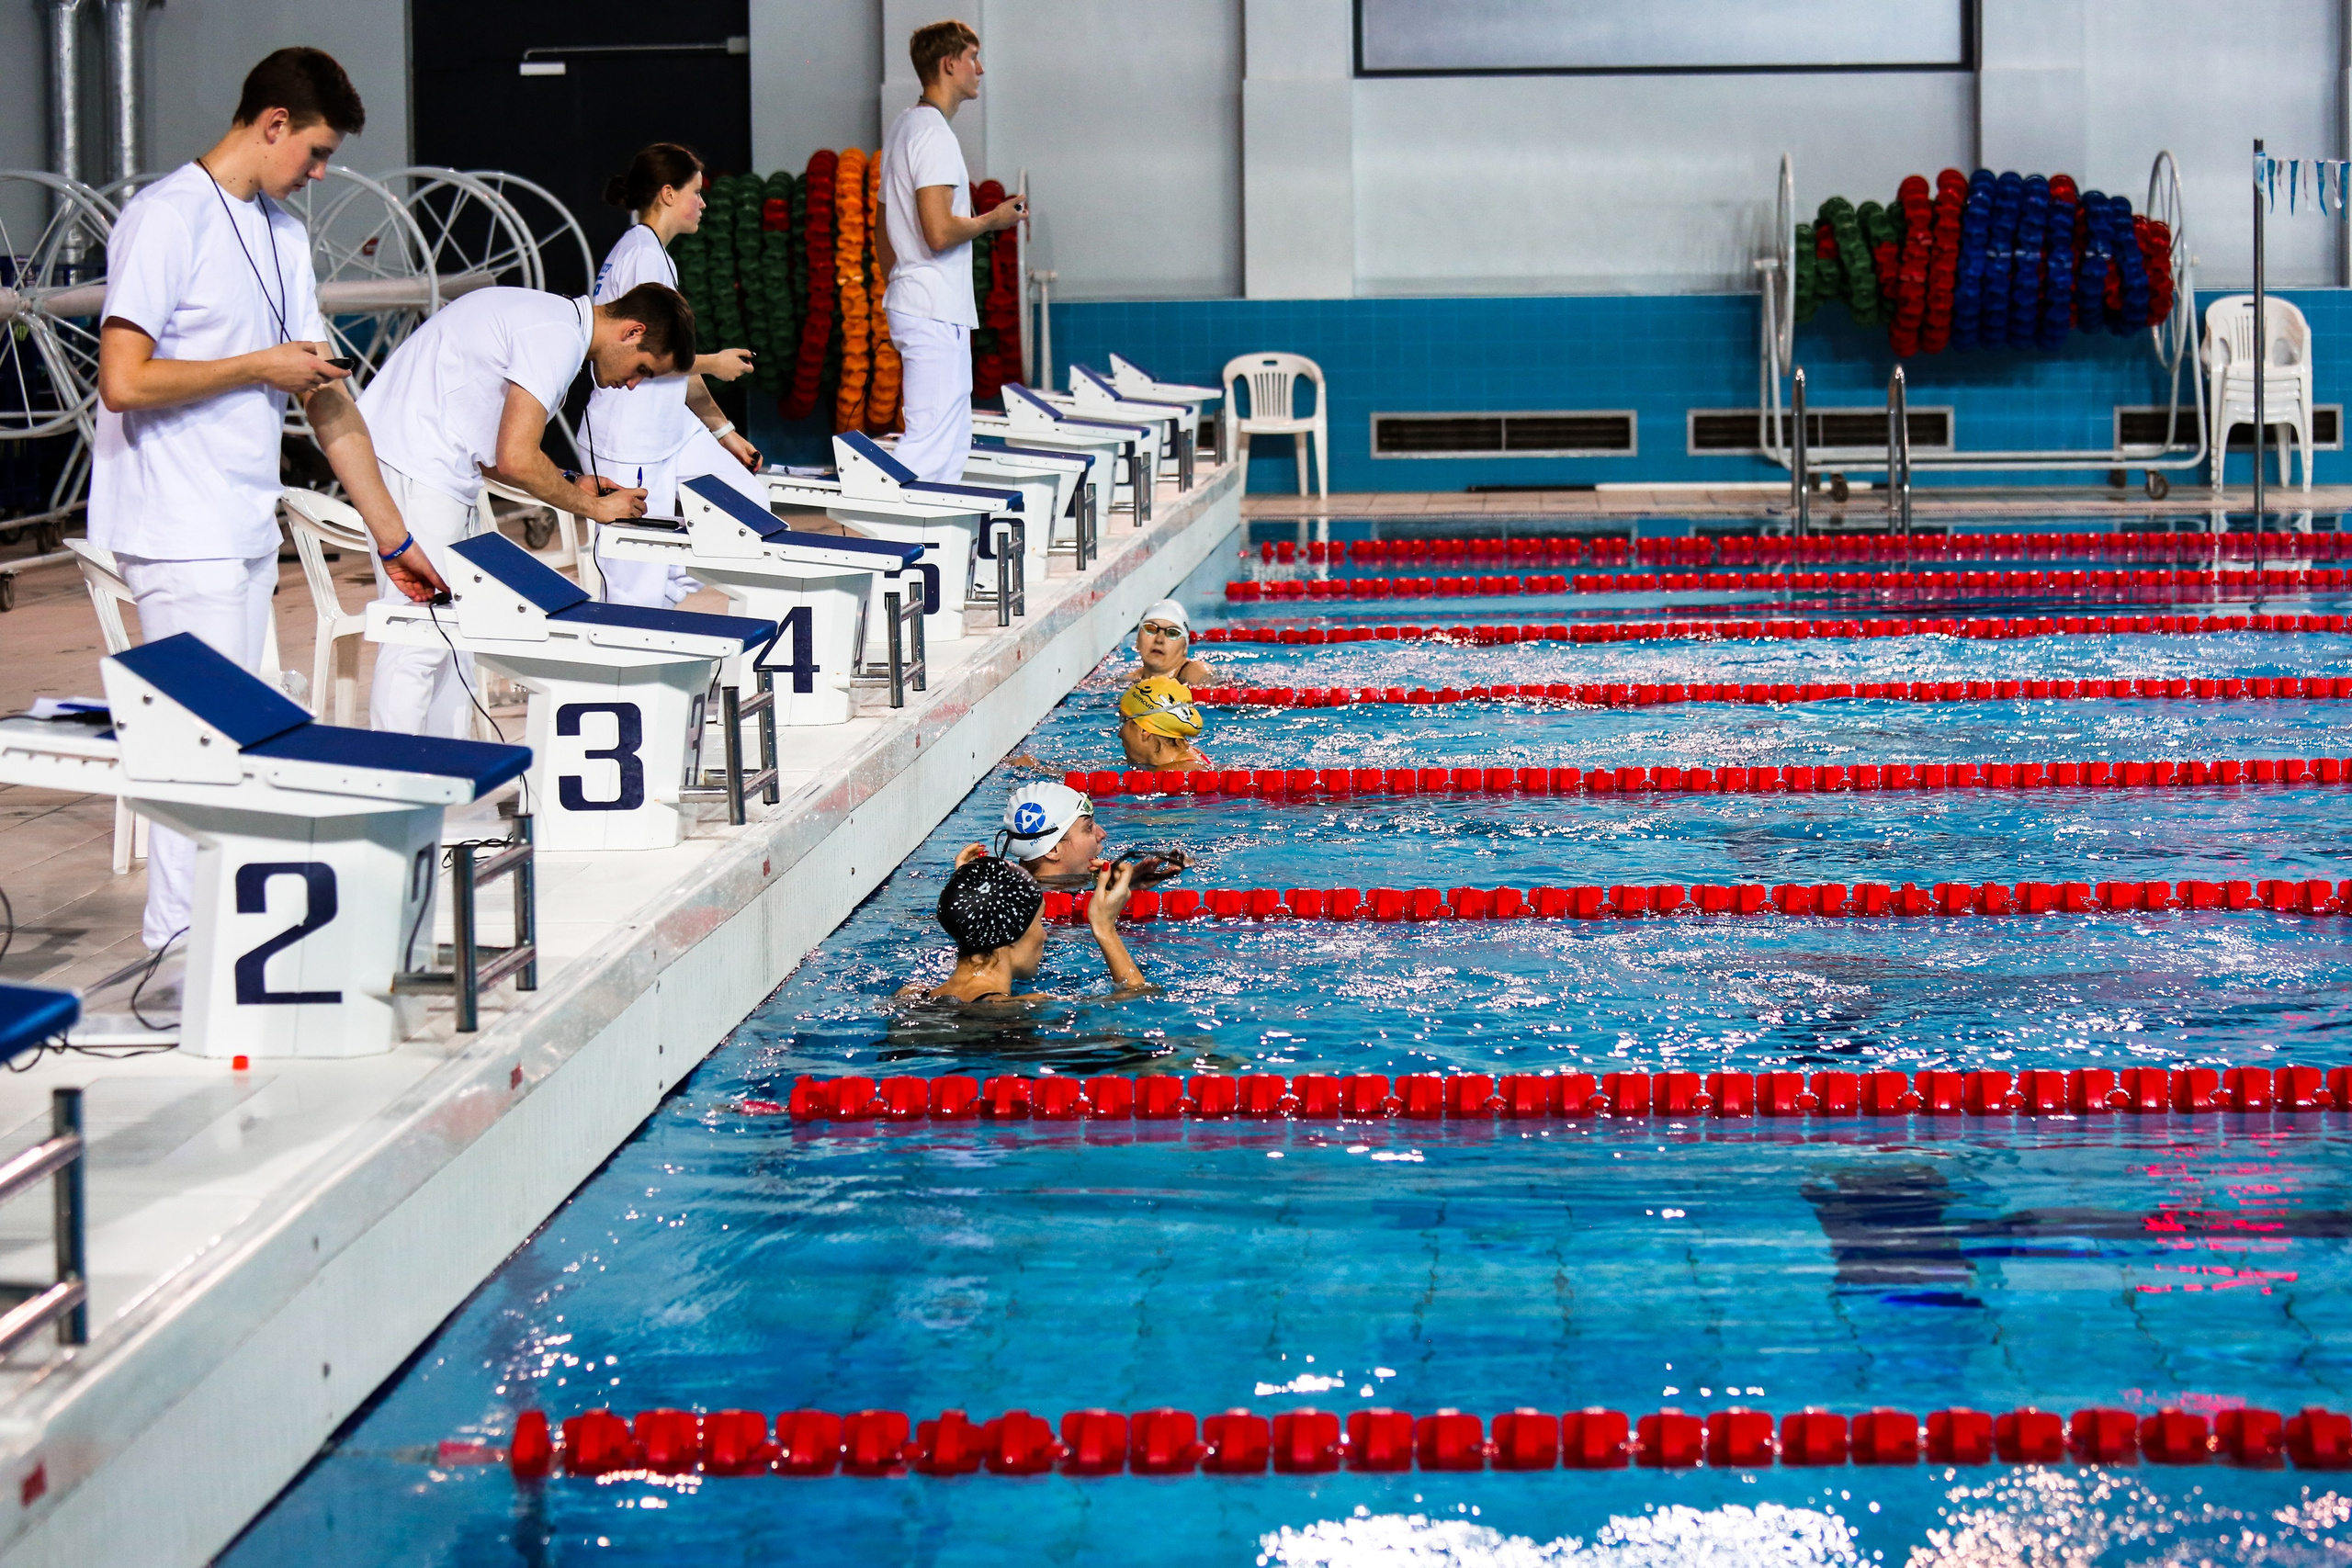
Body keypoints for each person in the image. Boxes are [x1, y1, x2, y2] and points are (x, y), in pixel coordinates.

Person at [92, 47, 443, 954]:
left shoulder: (281, 233)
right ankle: (179, 945)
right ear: (273, 123)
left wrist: (394, 537)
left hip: (243, 519)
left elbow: (322, 394)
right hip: (173, 522)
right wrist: (259, 366)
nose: (321, 174)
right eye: (317, 153)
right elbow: (123, 382)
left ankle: (224, 938)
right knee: (200, 745)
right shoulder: (166, 218)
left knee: (244, 740)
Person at [357, 282, 694, 735]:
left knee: (456, 637)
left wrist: (573, 483)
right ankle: (393, 783)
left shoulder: (555, 324)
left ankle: (444, 773)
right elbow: (516, 460)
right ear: (632, 332)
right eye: (643, 370)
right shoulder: (554, 335)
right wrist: (596, 511)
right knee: (421, 638)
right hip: (413, 461)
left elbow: (497, 449)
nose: (632, 384)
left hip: (435, 465)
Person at [582, 142, 766, 607]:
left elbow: (673, 362)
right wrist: (716, 362)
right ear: (667, 194)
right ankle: (632, 661)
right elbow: (655, 357)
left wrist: (723, 431)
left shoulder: (648, 252)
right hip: (628, 439)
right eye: (696, 192)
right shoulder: (644, 255)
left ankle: (674, 593)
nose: (703, 203)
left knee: (750, 509)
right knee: (636, 586)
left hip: (668, 428)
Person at [874, 18, 1025, 482]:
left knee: (949, 440)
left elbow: (882, 227)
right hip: (934, 308)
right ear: (949, 64)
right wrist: (993, 220)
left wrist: (903, 281)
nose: (979, 69)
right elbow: (938, 233)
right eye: (973, 58)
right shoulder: (934, 134)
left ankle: (929, 546)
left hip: (920, 302)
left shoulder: (905, 126)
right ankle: (887, 541)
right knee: (932, 445)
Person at [915, 854, 1145, 1003]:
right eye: (1040, 921)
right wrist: (1105, 929)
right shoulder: (1026, 1005)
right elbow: (1139, 1006)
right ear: (1013, 935)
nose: (1044, 935)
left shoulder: (912, 997)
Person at [1118, 676, 1211, 771]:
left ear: (1144, 730)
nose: (1119, 734)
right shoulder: (1189, 755)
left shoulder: (1173, 772)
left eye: (1123, 721)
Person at [1129, 599, 1216, 686]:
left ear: (1185, 647)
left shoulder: (1196, 674)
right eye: (1150, 629)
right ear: (1137, 640)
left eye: (1172, 633)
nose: (1159, 640)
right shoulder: (1129, 681)